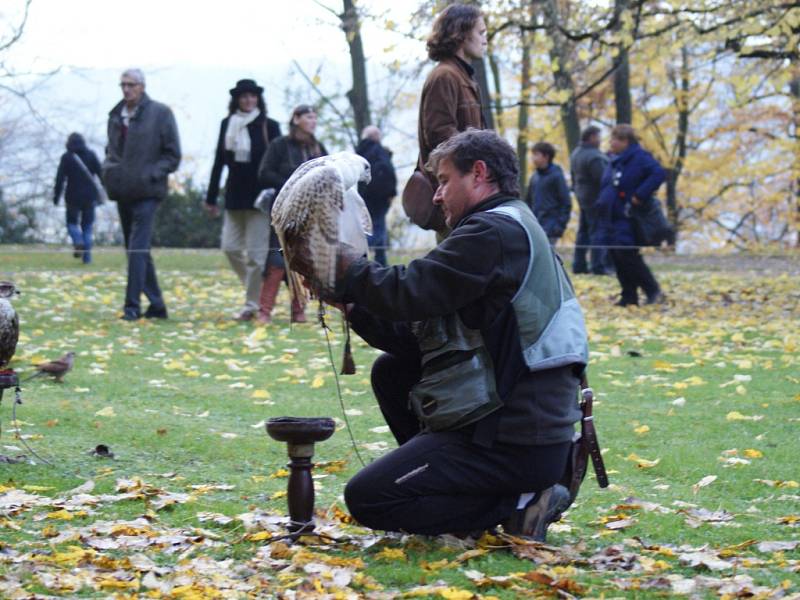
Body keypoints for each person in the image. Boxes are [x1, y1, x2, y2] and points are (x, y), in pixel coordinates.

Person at [309, 129, 588, 541]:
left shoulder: (493, 233)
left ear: (478, 174)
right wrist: (352, 304)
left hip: (517, 440)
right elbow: (414, 333)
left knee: (369, 498)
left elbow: (408, 290)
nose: (436, 196)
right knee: (393, 371)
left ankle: (522, 502)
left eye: (442, 180)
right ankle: (472, 487)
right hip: (524, 429)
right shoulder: (507, 227)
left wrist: (342, 265)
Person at [403, 3, 489, 237]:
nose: (485, 39)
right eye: (480, 33)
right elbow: (440, 137)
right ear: (460, 34)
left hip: (468, 192)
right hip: (454, 197)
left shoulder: (462, 76)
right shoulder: (445, 76)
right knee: (457, 266)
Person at [103, 68, 181, 321]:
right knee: (135, 250)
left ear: (142, 86)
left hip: (148, 191)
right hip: (122, 189)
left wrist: (152, 173)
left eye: (131, 85)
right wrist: (110, 171)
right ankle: (157, 306)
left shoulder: (160, 113)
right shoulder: (115, 115)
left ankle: (131, 307)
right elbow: (111, 150)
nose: (126, 89)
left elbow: (173, 155)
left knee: (137, 249)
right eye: (123, 84)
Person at [205, 79, 282, 321]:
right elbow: (219, 162)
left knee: (256, 256)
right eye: (243, 97)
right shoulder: (227, 124)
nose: (248, 100)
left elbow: (277, 163)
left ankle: (252, 306)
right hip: (234, 196)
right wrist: (210, 197)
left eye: (252, 96)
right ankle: (257, 293)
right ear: (237, 99)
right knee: (230, 247)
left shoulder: (270, 126)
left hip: (261, 199)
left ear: (258, 99)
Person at [256, 105, 327, 324]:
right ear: (296, 119)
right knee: (277, 259)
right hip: (283, 209)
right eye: (308, 117)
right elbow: (264, 173)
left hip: (311, 212)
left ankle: (299, 311)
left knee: (302, 260)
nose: (313, 121)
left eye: (315, 117)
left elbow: (329, 174)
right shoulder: (280, 145)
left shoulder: (318, 147)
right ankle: (264, 312)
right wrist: (292, 185)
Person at [596, 124, 666, 306]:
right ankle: (628, 295)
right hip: (610, 216)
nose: (611, 142)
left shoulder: (640, 158)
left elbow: (658, 173)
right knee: (616, 255)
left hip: (627, 216)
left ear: (625, 141)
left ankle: (653, 290)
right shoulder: (613, 160)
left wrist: (639, 195)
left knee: (627, 254)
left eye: (614, 139)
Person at [53, 133, 103, 264]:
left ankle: (77, 241)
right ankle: (87, 258)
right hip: (89, 196)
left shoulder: (67, 157)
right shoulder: (91, 154)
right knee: (87, 226)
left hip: (72, 196)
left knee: (71, 224)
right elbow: (101, 173)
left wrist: (56, 197)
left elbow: (60, 179)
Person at [570, 126, 611, 275]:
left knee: (583, 232)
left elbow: (573, 176)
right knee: (597, 232)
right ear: (592, 137)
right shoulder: (594, 157)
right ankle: (598, 266)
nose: (600, 140)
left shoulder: (576, 153)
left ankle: (579, 265)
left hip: (582, 197)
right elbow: (603, 180)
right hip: (595, 198)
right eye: (599, 137)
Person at [355, 126, 397, 266]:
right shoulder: (378, 151)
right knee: (377, 229)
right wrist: (391, 193)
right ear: (375, 136)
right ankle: (358, 256)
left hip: (364, 197)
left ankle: (382, 263)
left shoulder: (359, 153)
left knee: (378, 227)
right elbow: (387, 172)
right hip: (379, 198)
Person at [525, 142, 571, 246]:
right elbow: (528, 202)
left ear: (546, 157)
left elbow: (566, 203)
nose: (533, 158)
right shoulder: (534, 177)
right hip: (535, 226)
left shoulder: (557, 176)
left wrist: (558, 227)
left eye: (536, 154)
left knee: (548, 258)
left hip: (550, 228)